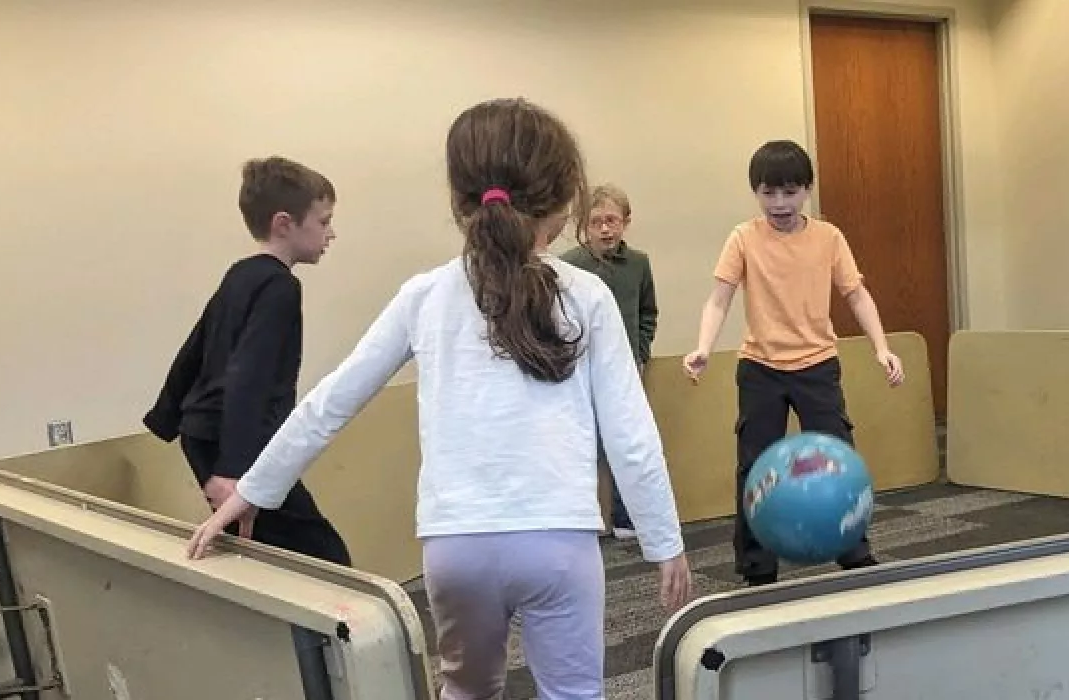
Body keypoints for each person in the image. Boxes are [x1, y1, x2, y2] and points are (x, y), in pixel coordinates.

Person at [185, 98, 693, 700]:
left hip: (457, 548)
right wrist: (665, 541)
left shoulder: (425, 295)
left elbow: (330, 402)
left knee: (466, 690)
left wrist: (250, 490)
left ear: (461, 200)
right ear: (560, 205)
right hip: (558, 542)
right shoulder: (586, 295)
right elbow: (630, 431)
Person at [683, 139, 905, 587]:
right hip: (760, 368)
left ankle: (854, 551)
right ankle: (757, 566)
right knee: (755, 466)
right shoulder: (743, 237)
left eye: (790, 192)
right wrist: (703, 346)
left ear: (807, 190)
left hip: (818, 365)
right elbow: (719, 299)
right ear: (756, 192)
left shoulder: (829, 237)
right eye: (768, 193)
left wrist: (882, 347)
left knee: (838, 458)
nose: (779, 204)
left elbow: (856, 295)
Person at [143, 156, 352, 566]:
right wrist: (234, 471)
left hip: (206, 436)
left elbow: (194, 348)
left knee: (265, 554)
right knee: (326, 560)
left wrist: (167, 417)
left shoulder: (240, 274)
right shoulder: (280, 288)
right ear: (284, 224)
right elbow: (248, 376)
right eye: (323, 221)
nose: (331, 234)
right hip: (236, 447)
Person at [557, 183, 658, 540]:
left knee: (627, 441)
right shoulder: (568, 266)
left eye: (612, 221)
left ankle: (626, 517)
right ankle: (581, 519)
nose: (605, 229)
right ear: (585, 225)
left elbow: (648, 312)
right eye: (596, 221)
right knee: (580, 443)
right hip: (579, 371)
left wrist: (641, 350)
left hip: (627, 369)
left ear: (625, 223)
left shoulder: (639, 264)